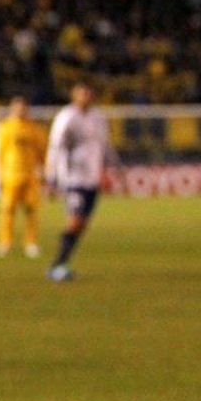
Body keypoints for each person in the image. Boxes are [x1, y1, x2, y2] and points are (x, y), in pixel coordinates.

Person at [44, 81, 120, 281]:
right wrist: (51, 178)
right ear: (73, 95)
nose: (86, 97)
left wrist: (114, 167)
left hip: (91, 178)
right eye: (81, 93)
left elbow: (105, 145)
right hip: (72, 178)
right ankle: (56, 266)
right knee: (75, 220)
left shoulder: (98, 117)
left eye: (88, 93)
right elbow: (55, 147)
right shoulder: (66, 117)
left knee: (82, 223)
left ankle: (61, 264)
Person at [0, 94, 47, 258]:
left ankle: (30, 243)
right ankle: (5, 243)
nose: (20, 110)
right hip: (10, 174)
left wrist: (44, 170)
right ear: (12, 108)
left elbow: (42, 152)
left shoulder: (35, 128)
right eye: (17, 107)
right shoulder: (5, 127)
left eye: (23, 107)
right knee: (7, 210)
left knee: (31, 210)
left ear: (27, 109)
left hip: (30, 175)